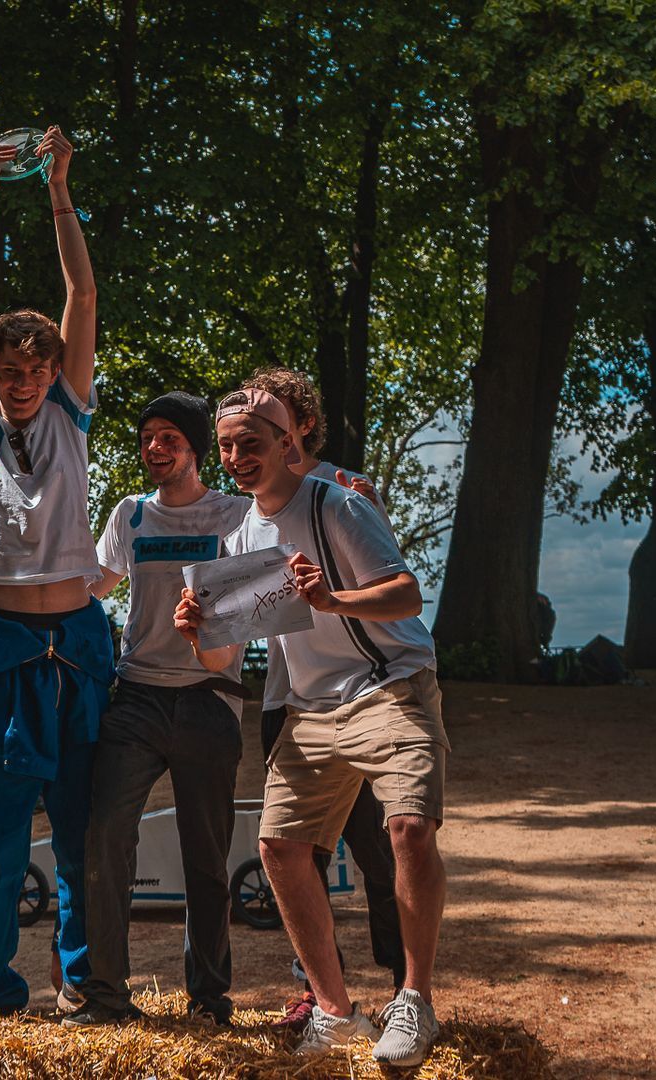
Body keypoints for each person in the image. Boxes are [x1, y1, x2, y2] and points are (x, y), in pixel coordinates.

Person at [176, 387, 448, 1067]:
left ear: (286, 442)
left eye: (252, 443)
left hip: (390, 684)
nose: (238, 457)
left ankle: (413, 1000)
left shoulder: (338, 504)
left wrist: (332, 598)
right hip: (311, 708)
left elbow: (407, 594)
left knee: (409, 827)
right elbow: (222, 656)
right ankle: (335, 1012)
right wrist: (196, 635)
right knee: (280, 849)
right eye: (228, 446)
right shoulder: (240, 535)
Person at [0, 126, 115, 1015]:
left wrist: (56, 191)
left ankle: (82, 979)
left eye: (35, 368)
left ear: (54, 371)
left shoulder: (70, 414)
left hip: (78, 639)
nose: (21, 381)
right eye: (8, 370)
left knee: (82, 826)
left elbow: (81, 289)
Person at [72, 392, 250, 1027]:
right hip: (136, 697)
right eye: (148, 436)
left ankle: (208, 1000)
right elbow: (93, 585)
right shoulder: (130, 515)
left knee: (206, 855)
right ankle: (107, 998)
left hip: (210, 700)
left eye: (169, 436)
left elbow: (268, 583)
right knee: (105, 836)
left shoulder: (236, 516)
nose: (155, 447)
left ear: (196, 448)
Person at [236, 367, 405, 1034]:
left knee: (375, 846)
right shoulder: (249, 495)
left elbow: (383, 576)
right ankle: (319, 994)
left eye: (273, 415)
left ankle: (404, 991)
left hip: (358, 696)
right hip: (287, 699)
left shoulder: (339, 487)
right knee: (294, 852)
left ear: (299, 424)